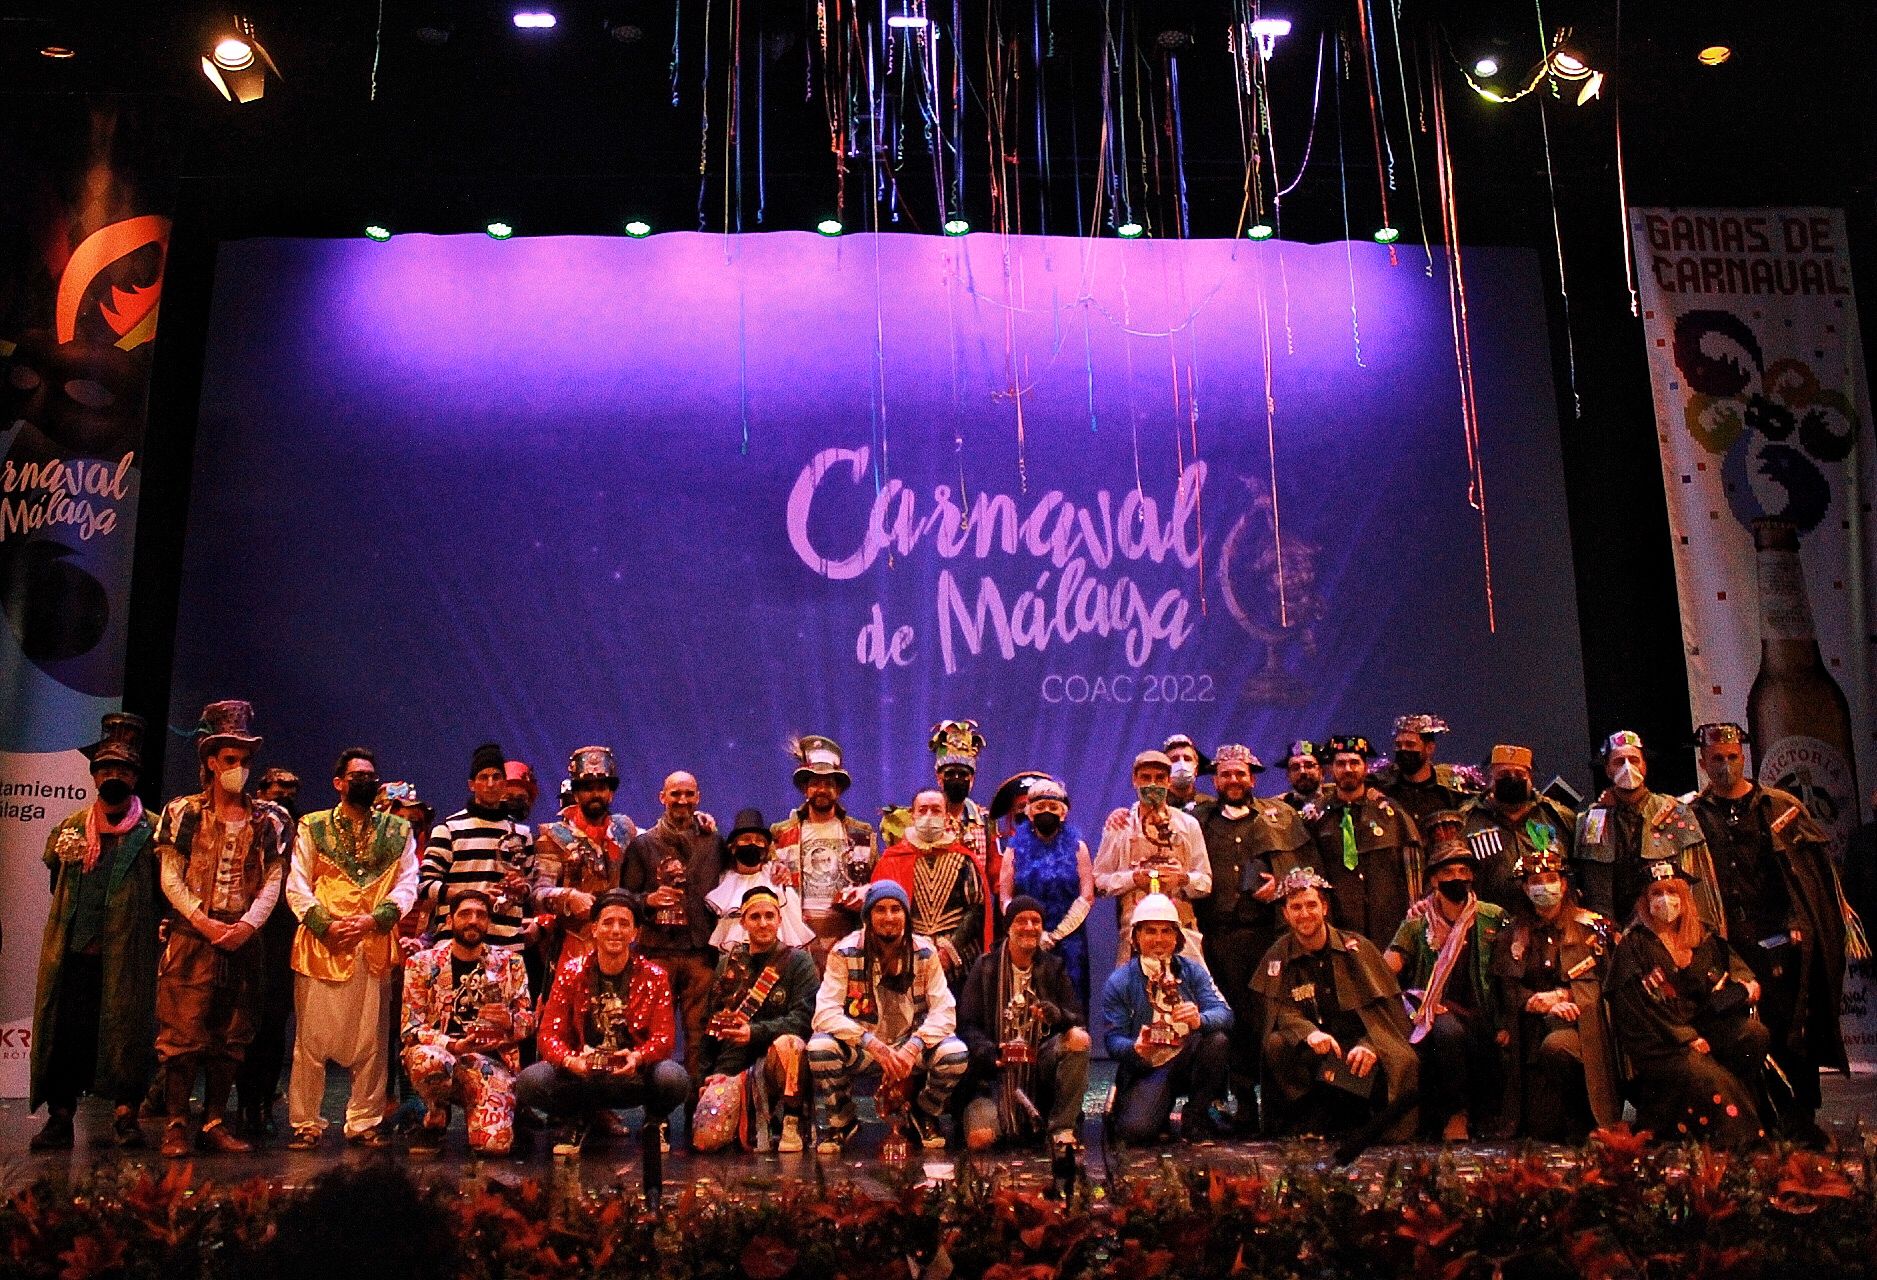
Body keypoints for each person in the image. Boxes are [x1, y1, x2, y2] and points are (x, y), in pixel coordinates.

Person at [1689, 721, 1856, 1146]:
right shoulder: (1692, 813)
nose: (1725, 765)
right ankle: (1752, 1119)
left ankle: (1801, 1118)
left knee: (1790, 1029)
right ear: (1704, 761)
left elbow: (1812, 874)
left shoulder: (1778, 807)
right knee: (1737, 1032)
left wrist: (1801, 921)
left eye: (1732, 757)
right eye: (1716, 759)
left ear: (1743, 756)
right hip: (1726, 942)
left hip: (1779, 940)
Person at [152, 700, 294, 1158]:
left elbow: (274, 879)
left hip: (242, 938)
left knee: (233, 1035)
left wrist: (248, 925)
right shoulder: (184, 813)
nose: (239, 768)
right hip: (194, 936)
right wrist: (201, 920)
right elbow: (170, 874)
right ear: (211, 762)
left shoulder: (269, 819)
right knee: (183, 1033)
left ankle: (213, 1119)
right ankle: (176, 1122)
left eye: (245, 760)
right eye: (230, 759)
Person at [28, 713, 159, 1151]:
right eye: (106, 769)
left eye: (122, 770)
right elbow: (55, 881)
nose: (113, 776)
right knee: (67, 1032)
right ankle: (60, 1116)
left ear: (135, 777)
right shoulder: (70, 828)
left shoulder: (154, 830)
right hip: (75, 953)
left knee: (126, 1030)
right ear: (95, 775)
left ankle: (126, 1115)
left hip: (127, 952)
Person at [283, 748, 419, 1150]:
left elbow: (408, 882)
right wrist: (323, 924)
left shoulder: (398, 831)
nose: (365, 781)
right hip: (323, 943)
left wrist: (376, 919)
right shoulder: (313, 826)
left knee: (373, 1043)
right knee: (309, 1043)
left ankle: (364, 1121)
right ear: (338, 783)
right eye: (356, 775)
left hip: (372, 941)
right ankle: (306, 1122)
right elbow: (297, 883)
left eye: (371, 775)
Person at [1187, 744, 1309, 1133]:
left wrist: (1281, 887)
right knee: (1227, 1023)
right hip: (1218, 939)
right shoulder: (1198, 819)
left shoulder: (1281, 818)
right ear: (1216, 780)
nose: (1234, 781)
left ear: (1253, 778)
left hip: (1265, 937)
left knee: (1266, 1020)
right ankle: (1234, 1104)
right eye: (1226, 774)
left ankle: (1273, 1105)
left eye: (1241, 774)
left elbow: (1307, 869)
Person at [1607, 861, 1768, 1147]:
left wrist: (1748, 985)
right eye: (1657, 893)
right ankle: (1742, 1138)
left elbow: (1736, 969)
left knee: (1753, 1036)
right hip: (1660, 1040)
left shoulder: (1703, 937)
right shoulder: (1634, 947)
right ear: (1646, 900)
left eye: (1672, 892)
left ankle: (1720, 1120)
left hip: (1704, 1023)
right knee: (1706, 1073)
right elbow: (1640, 1008)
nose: (1665, 900)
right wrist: (1687, 1038)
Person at [518, 890, 690, 1156]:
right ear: (595, 929)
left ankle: (655, 1120)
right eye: (608, 922)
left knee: (673, 1077)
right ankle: (576, 1117)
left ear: (634, 933)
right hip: (583, 1074)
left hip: (633, 1076)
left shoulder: (655, 976)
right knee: (531, 1080)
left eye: (624, 924)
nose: (616, 930)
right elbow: (548, 1035)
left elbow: (664, 1039)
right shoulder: (571, 972)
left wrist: (638, 1057)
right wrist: (571, 1061)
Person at [1254, 868, 1418, 1141]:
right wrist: (1308, 1033)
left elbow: (1389, 1010)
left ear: (1325, 907)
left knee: (1400, 1064)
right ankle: (1309, 1117)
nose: (1304, 914)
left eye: (1311, 905)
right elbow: (1279, 1010)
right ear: (1285, 913)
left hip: (1360, 1050)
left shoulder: (1359, 948)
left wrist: (1370, 1045)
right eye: (1295, 907)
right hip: (1315, 1055)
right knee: (1277, 1044)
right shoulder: (1277, 956)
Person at [807, 881, 970, 1153]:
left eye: (896, 909)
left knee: (955, 1053)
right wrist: (871, 1043)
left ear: (906, 915)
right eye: (880, 909)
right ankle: (841, 1120)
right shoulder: (844, 952)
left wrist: (914, 1046)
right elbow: (824, 1013)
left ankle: (924, 1112)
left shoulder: (925, 952)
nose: (889, 917)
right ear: (868, 916)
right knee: (820, 1047)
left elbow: (945, 1011)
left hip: (910, 1045)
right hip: (865, 1047)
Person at [1384, 814, 1504, 1140]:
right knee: (1448, 1032)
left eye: (1464, 871)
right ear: (1434, 880)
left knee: (1479, 1033)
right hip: (1433, 1007)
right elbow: (1388, 965)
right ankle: (1456, 1115)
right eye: (1448, 872)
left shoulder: (1492, 917)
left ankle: (1488, 1113)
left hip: (1482, 1006)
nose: (1457, 877)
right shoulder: (1418, 921)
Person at [1490, 845, 1621, 1142]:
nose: (1544, 887)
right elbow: (1505, 987)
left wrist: (1567, 997)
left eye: (1550, 879)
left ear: (1563, 884)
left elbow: (1609, 984)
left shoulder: (1594, 928)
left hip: (1587, 1032)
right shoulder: (1513, 932)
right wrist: (1536, 1002)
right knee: (1542, 1129)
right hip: (1531, 1035)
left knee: (1558, 1047)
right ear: (1524, 888)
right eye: (1535, 882)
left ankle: (1586, 1115)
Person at [400, 889, 535, 1156]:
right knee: (429, 1062)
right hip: (442, 1054)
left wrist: (509, 1021)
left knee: (493, 1146)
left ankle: (503, 1107)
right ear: (450, 921)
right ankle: (436, 1113)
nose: (473, 920)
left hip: (490, 1061)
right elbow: (410, 1029)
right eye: (465, 914)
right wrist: (453, 1045)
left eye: (480, 915)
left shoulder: (510, 963)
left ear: (488, 922)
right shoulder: (421, 964)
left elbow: (528, 1021)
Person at [621, 771, 727, 1106]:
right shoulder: (643, 845)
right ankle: (658, 1117)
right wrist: (647, 901)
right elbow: (625, 898)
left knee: (700, 1038)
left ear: (698, 797)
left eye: (689, 794)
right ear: (662, 797)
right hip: (658, 953)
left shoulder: (713, 842)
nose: (682, 801)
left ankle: (698, 1111)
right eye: (675, 794)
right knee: (653, 1035)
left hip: (701, 953)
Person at [692, 886, 819, 1153]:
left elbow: (802, 1021)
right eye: (755, 917)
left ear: (779, 920)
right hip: (734, 1068)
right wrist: (707, 1078)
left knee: (790, 1044)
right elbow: (710, 1026)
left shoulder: (798, 962)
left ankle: (790, 1122)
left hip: (779, 1066)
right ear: (743, 922)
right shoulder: (728, 964)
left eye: (769, 916)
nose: (763, 923)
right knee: (706, 1140)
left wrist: (754, 1031)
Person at [957, 896, 1090, 1151]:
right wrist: (989, 1053)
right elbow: (967, 1025)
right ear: (1008, 927)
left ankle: (1062, 1127)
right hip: (992, 1081)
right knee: (981, 1140)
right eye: (1021, 921)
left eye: (1036, 921)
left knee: (1079, 1039)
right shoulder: (984, 967)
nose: (1029, 926)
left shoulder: (1053, 967)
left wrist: (1057, 1016)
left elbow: (1077, 1019)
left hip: (1039, 1071)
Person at [1099, 894, 1232, 1144]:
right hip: (1149, 1067)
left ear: (1177, 937)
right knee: (1136, 1133)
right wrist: (1135, 1048)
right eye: (1150, 931)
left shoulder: (1193, 971)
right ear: (1136, 937)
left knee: (1217, 1041)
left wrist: (1200, 1020)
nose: (1159, 939)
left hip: (1185, 1057)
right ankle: (1139, 1104)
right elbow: (1112, 1040)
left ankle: (1196, 1117)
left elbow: (1224, 1014)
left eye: (1166, 932)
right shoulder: (1120, 981)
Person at [1574, 731, 1719, 925]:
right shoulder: (1592, 820)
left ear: (1644, 765)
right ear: (1607, 769)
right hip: (1616, 931)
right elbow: (1596, 890)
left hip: (1668, 927)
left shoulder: (1674, 812)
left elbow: (1698, 882)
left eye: (1634, 760)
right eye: (1619, 761)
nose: (1628, 767)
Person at [1300, 735, 1422, 948]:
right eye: (1341, 763)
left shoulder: (1390, 813)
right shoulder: (1315, 818)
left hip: (1391, 928)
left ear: (1365, 768)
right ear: (1330, 770)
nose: (1348, 769)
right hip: (1339, 930)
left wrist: (1415, 920)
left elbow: (1413, 868)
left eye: (1355, 762)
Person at [1094, 750, 1212, 964]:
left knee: (1185, 995)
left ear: (1169, 781)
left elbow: (1205, 881)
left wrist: (1183, 879)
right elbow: (1099, 882)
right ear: (1134, 780)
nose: (1152, 784)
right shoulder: (1119, 826)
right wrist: (1133, 879)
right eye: (1146, 778)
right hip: (1134, 934)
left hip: (1181, 930)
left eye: (1159, 778)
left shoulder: (1188, 825)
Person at [871, 788, 994, 994]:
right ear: (913, 815)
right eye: (923, 810)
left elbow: (977, 908)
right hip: (906, 957)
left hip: (959, 962)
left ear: (947, 818)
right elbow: (881, 914)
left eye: (936, 810)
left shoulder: (964, 859)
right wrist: (912, 949)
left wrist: (949, 950)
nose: (929, 816)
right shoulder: (892, 859)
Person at [770, 736, 878, 967]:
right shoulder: (781, 833)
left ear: (837, 790)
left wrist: (864, 894)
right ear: (806, 789)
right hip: (796, 936)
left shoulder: (861, 833)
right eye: (815, 783)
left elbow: (876, 882)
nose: (821, 789)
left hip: (846, 934)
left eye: (828, 784)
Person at [420, 742, 536, 952]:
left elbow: (529, 887)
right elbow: (426, 886)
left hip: (507, 947)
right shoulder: (448, 829)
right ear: (471, 785)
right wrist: (475, 896)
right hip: (455, 946)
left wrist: (520, 887)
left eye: (497, 777)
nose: (490, 783)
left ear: (504, 783)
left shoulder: (523, 834)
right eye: (483, 777)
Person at [238, 766, 303, 1136]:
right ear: (261, 788)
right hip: (244, 928)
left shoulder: (301, 830)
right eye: (278, 788)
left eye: (292, 788)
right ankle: (242, 1103)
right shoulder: (246, 822)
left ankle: (263, 1102)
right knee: (241, 1024)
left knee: (274, 1026)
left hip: (283, 935)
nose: (285, 794)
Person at [533, 746, 638, 970]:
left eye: (602, 787)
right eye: (588, 788)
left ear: (611, 793)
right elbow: (538, 894)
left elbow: (657, 839)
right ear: (577, 793)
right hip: (573, 944)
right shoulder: (553, 836)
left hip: (618, 943)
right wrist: (568, 896)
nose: (595, 794)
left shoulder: (624, 828)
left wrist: (695, 818)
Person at [999, 778, 1095, 1013]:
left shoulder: (1078, 848)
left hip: (1069, 939)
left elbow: (1087, 896)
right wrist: (1032, 931)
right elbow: (1005, 898)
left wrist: (1056, 934)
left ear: (1063, 813)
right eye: (1040, 807)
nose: (1046, 812)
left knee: (1072, 1003)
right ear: (1030, 813)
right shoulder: (1013, 849)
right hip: (1025, 937)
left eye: (1053, 808)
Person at [884, 720, 1000, 904]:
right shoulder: (913, 819)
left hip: (974, 911)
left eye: (963, 774)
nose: (957, 778)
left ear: (972, 780)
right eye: (950, 773)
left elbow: (994, 872)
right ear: (939, 778)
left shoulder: (985, 820)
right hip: (927, 910)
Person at [1461, 744, 1575, 911]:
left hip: (1552, 921)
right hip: (1491, 924)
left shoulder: (1558, 817)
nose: (1512, 779)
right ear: (1490, 779)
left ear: (1530, 778)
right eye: (1504, 774)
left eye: (1520, 774)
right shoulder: (1467, 821)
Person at [706, 809, 814, 951]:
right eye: (746, 839)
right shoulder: (723, 881)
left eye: (759, 841)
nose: (753, 844)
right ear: (733, 847)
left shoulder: (776, 878)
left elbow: (792, 927)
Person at [1371, 715, 1478, 831]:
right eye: (1398, 745)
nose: (1403, 750)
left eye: (1410, 744)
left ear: (1429, 748)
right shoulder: (1384, 792)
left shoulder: (1449, 798)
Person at [1162, 734, 1216, 811]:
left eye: (1187, 759)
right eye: (1174, 759)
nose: (1181, 764)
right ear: (1165, 769)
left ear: (1196, 768)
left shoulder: (1212, 807)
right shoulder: (1154, 807)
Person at [1277, 740, 1324, 810]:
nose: (1302, 772)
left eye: (1309, 766)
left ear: (1321, 772)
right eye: (1295, 767)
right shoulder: (1280, 807)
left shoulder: (1336, 799)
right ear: (1288, 775)